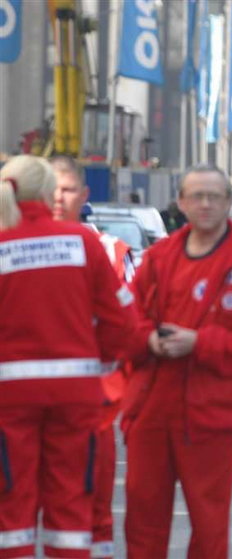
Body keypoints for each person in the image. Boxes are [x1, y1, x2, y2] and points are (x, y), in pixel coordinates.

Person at [121, 164, 232, 558]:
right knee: (142, 521)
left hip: (210, 414)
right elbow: (128, 320)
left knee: (209, 525)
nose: (205, 204)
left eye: (214, 196)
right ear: (181, 202)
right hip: (152, 407)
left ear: (228, 202)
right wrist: (149, 340)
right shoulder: (158, 257)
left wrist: (199, 343)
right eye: (196, 196)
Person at [0, 155, 135, 559]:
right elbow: (123, 323)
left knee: (12, 509)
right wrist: (98, 364)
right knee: (72, 506)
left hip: (9, 402)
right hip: (76, 398)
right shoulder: (84, 243)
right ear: (46, 192)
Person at [51, 155, 135, 559]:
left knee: (88, 507)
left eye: (65, 189)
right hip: (28, 406)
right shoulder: (11, 240)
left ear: (83, 196)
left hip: (92, 402)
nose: (56, 198)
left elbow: (128, 322)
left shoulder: (107, 250)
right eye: (50, 188)